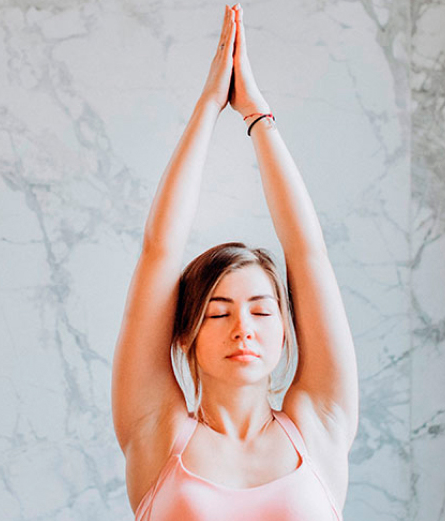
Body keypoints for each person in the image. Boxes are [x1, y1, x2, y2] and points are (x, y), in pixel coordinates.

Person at [112, 4, 359, 520]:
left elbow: (308, 253)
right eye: (218, 312)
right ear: (185, 333)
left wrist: (257, 117)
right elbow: (159, 252)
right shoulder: (158, 432)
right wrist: (209, 105)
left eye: (262, 311)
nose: (242, 328)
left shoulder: (319, 425)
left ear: (286, 331)